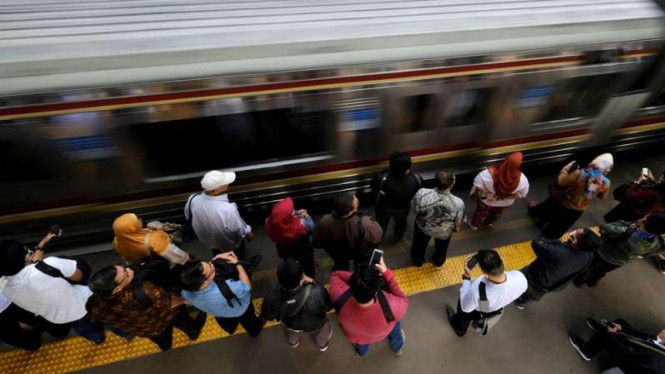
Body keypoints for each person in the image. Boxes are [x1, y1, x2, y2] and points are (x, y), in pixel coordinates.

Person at [0, 229, 120, 343]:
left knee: (82, 326)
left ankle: (97, 338)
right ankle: (123, 332)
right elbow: (78, 276)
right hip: (84, 301)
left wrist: (41, 245)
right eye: (29, 252)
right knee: (105, 316)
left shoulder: (5, 288)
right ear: (27, 257)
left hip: (59, 317)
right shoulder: (51, 263)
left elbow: (33, 269)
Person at [87, 265, 207, 351]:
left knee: (161, 338)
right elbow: (169, 303)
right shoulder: (144, 290)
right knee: (185, 323)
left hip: (146, 329)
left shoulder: (93, 305)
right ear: (117, 289)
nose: (129, 269)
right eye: (126, 273)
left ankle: (166, 347)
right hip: (167, 316)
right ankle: (193, 333)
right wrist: (184, 300)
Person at [329, 258, 408, 357]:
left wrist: (358, 280)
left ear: (352, 288)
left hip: (357, 336)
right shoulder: (391, 306)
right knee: (395, 324)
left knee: (361, 344)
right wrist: (387, 275)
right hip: (383, 331)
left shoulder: (339, 296)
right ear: (376, 290)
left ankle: (361, 353)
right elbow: (403, 299)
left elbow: (336, 275)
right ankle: (397, 347)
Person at [180, 252, 264, 337]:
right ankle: (254, 331)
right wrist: (238, 264)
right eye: (211, 268)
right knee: (249, 321)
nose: (213, 265)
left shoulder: (185, 292)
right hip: (240, 309)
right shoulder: (228, 288)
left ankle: (231, 329)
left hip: (218, 313)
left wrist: (217, 257)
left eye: (209, 263)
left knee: (227, 322)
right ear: (204, 283)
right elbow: (247, 287)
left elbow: (186, 300)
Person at [529, 154, 613, 239]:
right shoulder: (606, 183)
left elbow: (561, 182)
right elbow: (602, 197)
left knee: (549, 210)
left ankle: (539, 220)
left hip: (564, 201)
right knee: (560, 226)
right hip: (578, 210)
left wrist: (565, 170)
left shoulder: (579, 174)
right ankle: (548, 236)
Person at [447, 249, 527, 337]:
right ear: (502, 260)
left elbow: (465, 308)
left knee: (465, 314)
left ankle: (460, 329)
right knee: (481, 310)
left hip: (478, 308)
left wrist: (467, 276)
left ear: (485, 275)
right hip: (493, 308)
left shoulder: (476, 290)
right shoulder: (520, 277)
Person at [515, 228, 600, 309]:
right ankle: (522, 302)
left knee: (521, 281)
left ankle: (516, 295)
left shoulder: (558, 252)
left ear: (575, 241)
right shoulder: (589, 255)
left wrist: (558, 242)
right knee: (531, 296)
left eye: (576, 232)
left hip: (537, 277)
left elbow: (536, 243)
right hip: (553, 284)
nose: (573, 232)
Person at [575, 212, 665, 287]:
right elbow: (650, 253)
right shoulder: (658, 243)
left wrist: (631, 224)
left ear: (645, 219)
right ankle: (592, 280)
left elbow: (606, 228)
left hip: (602, 252)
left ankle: (581, 277)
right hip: (618, 262)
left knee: (590, 264)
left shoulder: (622, 230)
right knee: (601, 270)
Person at [260, 259, 333, 351]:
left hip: (291, 325)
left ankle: (293, 342)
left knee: (291, 333)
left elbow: (268, 315)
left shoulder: (271, 298)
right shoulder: (317, 291)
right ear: (302, 277)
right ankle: (322, 345)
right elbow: (328, 307)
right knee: (322, 330)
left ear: (278, 278)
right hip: (315, 324)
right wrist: (313, 281)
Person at [184, 171, 253, 255]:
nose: (227, 184)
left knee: (217, 256)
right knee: (237, 257)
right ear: (216, 190)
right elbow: (237, 229)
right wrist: (247, 233)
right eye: (225, 184)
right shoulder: (228, 209)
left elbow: (188, 216)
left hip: (209, 242)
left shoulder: (193, 199)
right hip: (229, 245)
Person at [312, 192, 383, 271]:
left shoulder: (324, 222)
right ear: (352, 209)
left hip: (338, 256)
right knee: (360, 267)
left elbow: (316, 242)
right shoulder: (365, 223)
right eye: (355, 199)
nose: (357, 199)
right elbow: (377, 237)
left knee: (341, 266)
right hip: (359, 255)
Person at [569, 318, 665, 374]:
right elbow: (644, 338)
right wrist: (620, 328)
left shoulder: (658, 360)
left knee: (609, 337)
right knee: (621, 323)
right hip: (637, 355)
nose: (663, 332)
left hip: (623, 369)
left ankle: (587, 350)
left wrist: (612, 336)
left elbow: (628, 357)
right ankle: (604, 331)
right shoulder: (661, 343)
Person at [411, 170, 465, 267]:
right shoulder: (458, 202)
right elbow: (457, 222)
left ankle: (418, 262)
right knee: (442, 248)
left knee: (418, 246)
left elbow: (416, 211)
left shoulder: (422, 193)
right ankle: (438, 262)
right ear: (451, 185)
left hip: (423, 227)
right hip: (444, 231)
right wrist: (456, 228)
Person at [467, 152, 529, 230]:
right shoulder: (523, 180)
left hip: (487, 200)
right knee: (497, 212)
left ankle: (475, 225)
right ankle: (490, 222)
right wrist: (506, 196)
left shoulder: (487, 174)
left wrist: (488, 192)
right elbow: (522, 194)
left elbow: (477, 182)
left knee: (481, 212)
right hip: (505, 203)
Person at [372, 151, 423, 241]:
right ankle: (399, 236)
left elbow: (374, 188)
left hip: (384, 209)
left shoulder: (381, 178)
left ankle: (379, 239)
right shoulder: (416, 179)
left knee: (381, 225)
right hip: (403, 209)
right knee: (401, 223)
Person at [265, 197, 316, 277]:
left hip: (285, 252)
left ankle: (295, 277)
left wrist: (297, 212)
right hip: (304, 250)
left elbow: (284, 216)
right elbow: (311, 226)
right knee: (307, 266)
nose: (294, 211)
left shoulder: (270, 222)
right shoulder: (302, 226)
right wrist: (306, 215)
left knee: (291, 266)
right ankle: (310, 276)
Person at [112, 213, 189, 265]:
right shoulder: (153, 239)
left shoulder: (116, 240)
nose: (140, 219)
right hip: (163, 264)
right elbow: (178, 256)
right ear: (132, 228)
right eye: (137, 220)